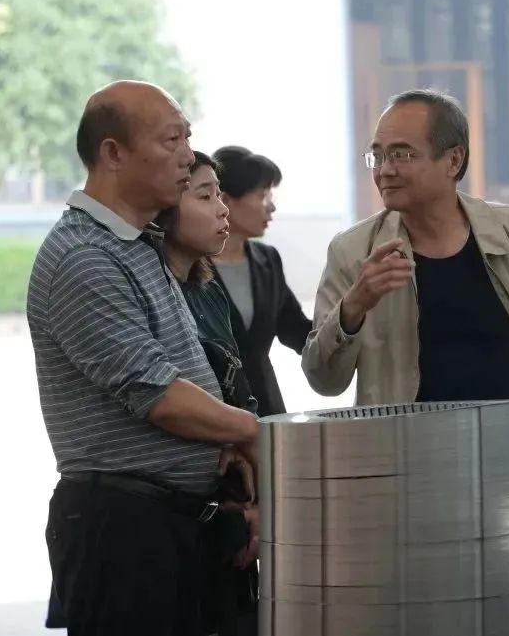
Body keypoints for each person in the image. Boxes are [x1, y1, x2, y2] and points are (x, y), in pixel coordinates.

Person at [27, 81, 260, 636]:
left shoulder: (137, 247)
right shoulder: (85, 255)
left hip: (170, 522)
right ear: (113, 153)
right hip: (122, 531)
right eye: (172, 140)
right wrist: (254, 433)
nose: (186, 155)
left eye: (188, 138)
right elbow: (158, 394)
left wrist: (227, 444)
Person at [302, 88, 509, 405]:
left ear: (453, 160)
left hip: (505, 431)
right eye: (378, 156)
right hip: (398, 435)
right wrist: (353, 306)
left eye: (402, 155)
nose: (385, 170)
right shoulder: (353, 252)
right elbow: (323, 380)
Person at [155, 149, 259, 636]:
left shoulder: (209, 287)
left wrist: (257, 498)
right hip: (163, 516)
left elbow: (239, 392)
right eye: (204, 195)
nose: (222, 208)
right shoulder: (143, 289)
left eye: (220, 194)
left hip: (225, 511)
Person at [209, 145, 311, 416]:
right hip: (214, 412)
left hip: (267, 411)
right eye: (262, 195)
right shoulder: (190, 265)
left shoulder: (267, 260)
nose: (271, 206)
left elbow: (298, 331)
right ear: (225, 200)